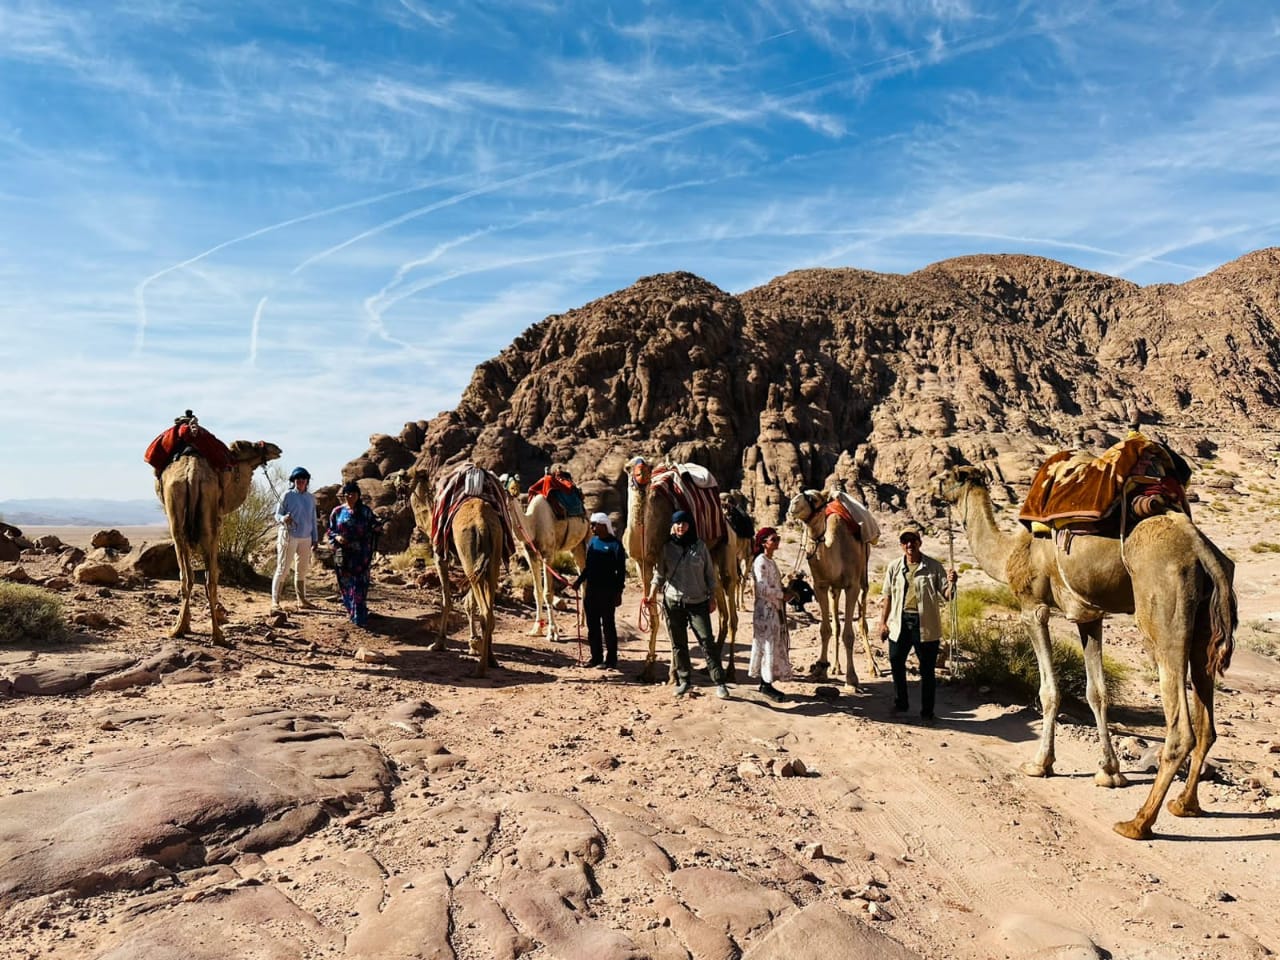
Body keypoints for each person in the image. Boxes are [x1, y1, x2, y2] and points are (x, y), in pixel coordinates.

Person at [878, 528, 958, 722]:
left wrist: (952, 583)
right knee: (896, 661)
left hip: (925, 624)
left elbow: (947, 596)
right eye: (905, 541)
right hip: (900, 622)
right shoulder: (894, 567)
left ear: (919, 542)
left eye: (913, 540)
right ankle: (901, 702)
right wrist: (883, 622)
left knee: (927, 670)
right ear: (901, 545)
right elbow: (887, 596)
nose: (909, 545)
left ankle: (927, 711)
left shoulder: (933, 567)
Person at [649, 510, 729, 699]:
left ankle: (720, 681)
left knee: (706, 641)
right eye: (677, 523)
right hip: (673, 601)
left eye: (684, 523)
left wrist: (712, 597)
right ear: (672, 526)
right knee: (678, 643)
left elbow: (710, 575)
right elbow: (659, 574)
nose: (681, 527)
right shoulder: (667, 548)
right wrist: (652, 594)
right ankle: (684, 680)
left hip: (698, 602)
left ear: (690, 526)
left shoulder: (699, 547)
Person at [573, 512, 627, 668]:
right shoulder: (593, 543)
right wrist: (579, 581)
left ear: (604, 525)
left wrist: (619, 592)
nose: (592, 528)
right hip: (591, 592)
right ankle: (596, 657)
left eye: (594, 525)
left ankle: (611, 660)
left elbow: (621, 572)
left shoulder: (615, 545)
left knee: (608, 626)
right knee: (592, 626)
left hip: (608, 593)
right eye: (592, 525)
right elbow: (588, 567)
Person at [328, 481, 382, 627]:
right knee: (345, 585)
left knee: (359, 584)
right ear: (344, 495)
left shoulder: (365, 511)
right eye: (347, 493)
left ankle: (360, 617)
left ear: (358, 495)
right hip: (343, 554)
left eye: (353, 493)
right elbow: (330, 530)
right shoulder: (337, 511)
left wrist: (378, 527)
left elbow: (374, 525)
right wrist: (337, 537)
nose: (350, 496)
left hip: (361, 554)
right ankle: (352, 612)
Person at [748, 527, 792, 702]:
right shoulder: (760, 562)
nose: (777, 542)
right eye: (774, 539)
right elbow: (762, 588)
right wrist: (782, 595)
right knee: (766, 645)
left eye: (778, 538)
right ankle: (765, 685)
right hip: (765, 611)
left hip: (774, 609)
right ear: (764, 542)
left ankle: (767, 683)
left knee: (772, 644)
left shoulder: (771, 562)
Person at [271, 467, 319, 613]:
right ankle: (275, 601)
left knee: (302, 569)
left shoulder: (310, 498)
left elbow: (313, 519)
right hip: (288, 535)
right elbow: (277, 515)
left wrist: (315, 538)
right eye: (298, 479)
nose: (301, 481)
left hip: (306, 537)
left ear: (307, 481)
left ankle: (302, 600)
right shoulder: (287, 495)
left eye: (303, 479)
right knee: (283, 568)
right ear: (293, 481)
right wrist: (283, 518)